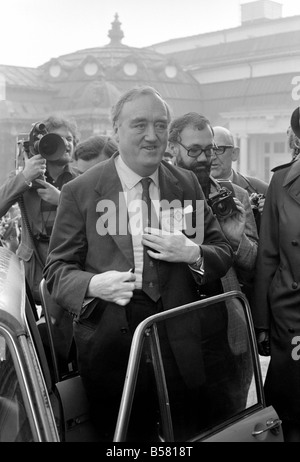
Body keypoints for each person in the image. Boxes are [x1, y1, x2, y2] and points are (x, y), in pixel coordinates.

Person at [43, 86, 234, 441]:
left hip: (181, 344)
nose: (152, 136)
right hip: (112, 351)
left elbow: (221, 252)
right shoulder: (82, 191)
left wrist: (192, 253)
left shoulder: (186, 182)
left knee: (187, 435)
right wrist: (92, 285)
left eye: (161, 125)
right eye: (140, 125)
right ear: (116, 129)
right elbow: (56, 272)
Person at [167, 112, 258, 420]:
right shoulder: (154, 197)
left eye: (211, 149)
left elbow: (252, 263)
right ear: (172, 149)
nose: (205, 158)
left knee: (230, 423)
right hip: (175, 337)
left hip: (228, 335)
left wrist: (234, 239)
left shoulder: (234, 196)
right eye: (195, 150)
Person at [0, 115, 80, 373]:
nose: (66, 144)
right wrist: (25, 177)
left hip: (70, 274)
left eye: (70, 139)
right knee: (37, 353)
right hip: (33, 276)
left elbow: (97, 221)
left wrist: (62, 200)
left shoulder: (81, 180)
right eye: (60, 139)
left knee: (70, 349)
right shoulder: (25, 178)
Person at [252, 125, 300, 442]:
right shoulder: (281, 181)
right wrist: (262, 321)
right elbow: (268, 253)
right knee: (291, 404)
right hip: (291, 312)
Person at [212, 126, 268, 232]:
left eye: (218, 149)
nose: (212, 156)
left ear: (234, 153)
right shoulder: (192, 190)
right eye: (208, 150)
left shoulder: (261, 190)